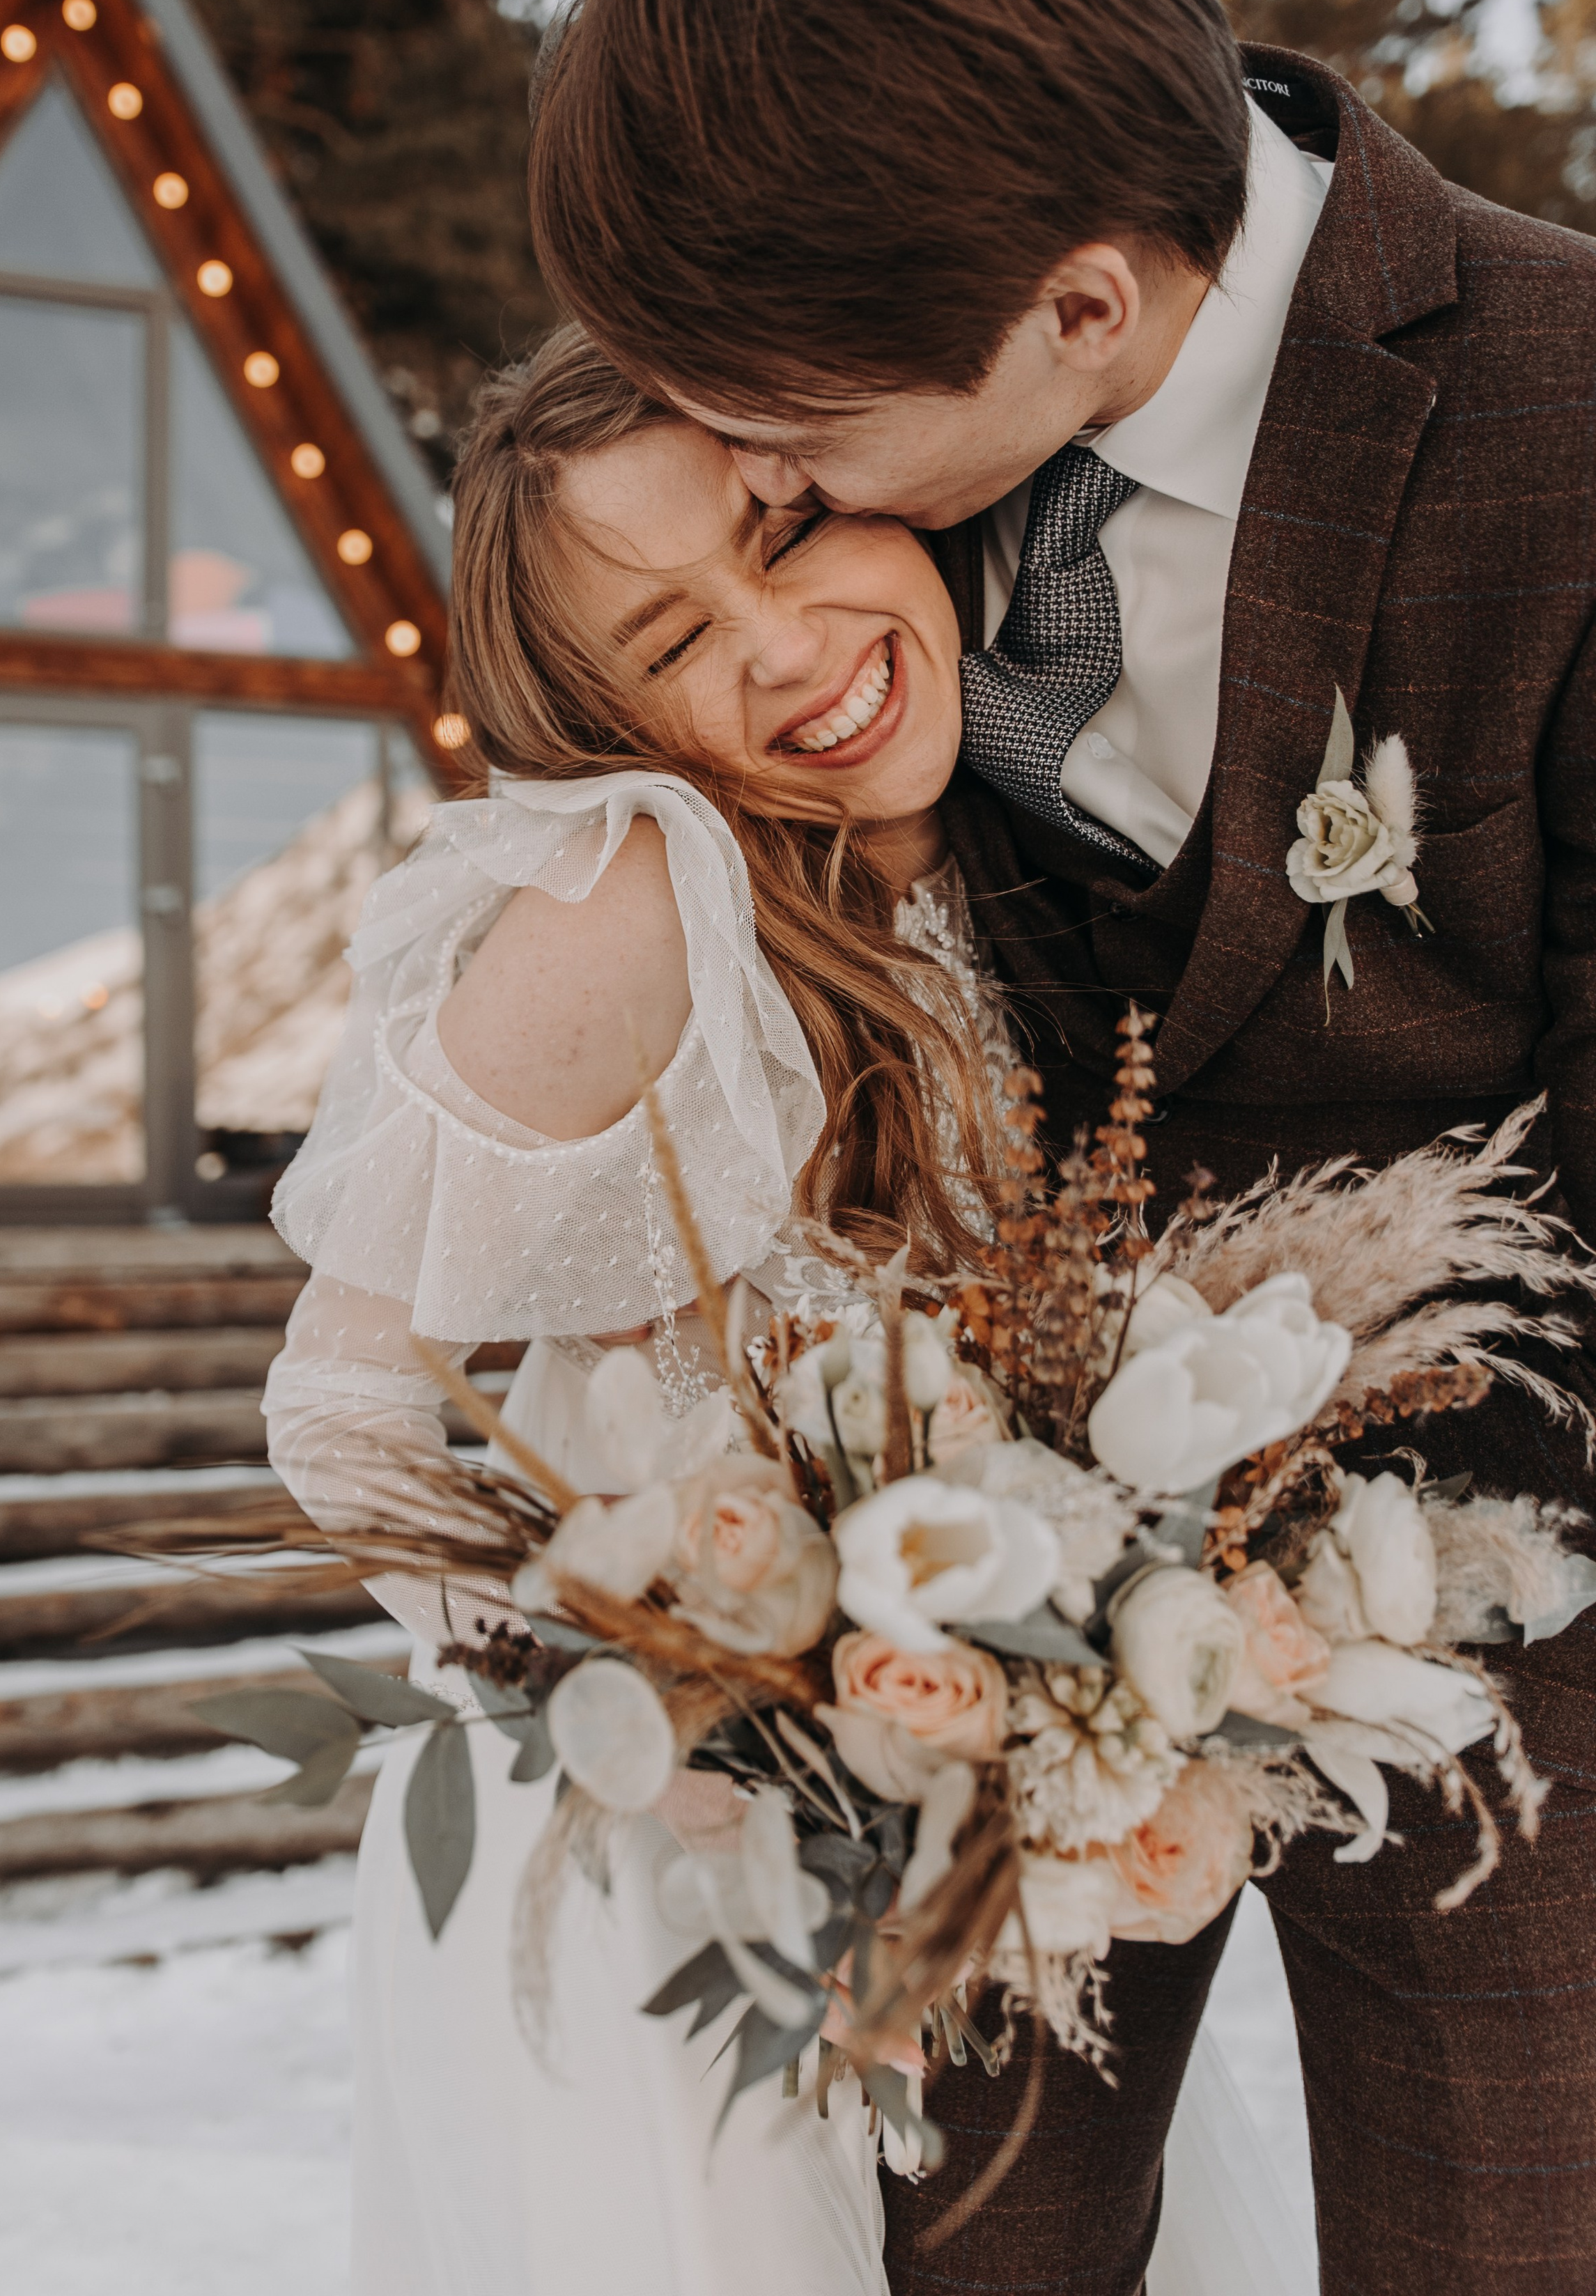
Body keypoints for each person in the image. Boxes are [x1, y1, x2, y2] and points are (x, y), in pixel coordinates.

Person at [524, 0, 1596, 2296]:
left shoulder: (1569, 421)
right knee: (958, 2250)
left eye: (783, 429)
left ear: (1085, 309)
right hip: (966, 1618)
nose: (746, 464)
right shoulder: (877, 443)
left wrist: (1343, 1545)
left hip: (1525, 1620)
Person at [261, 328, 1304, 2296]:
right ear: (611, 727)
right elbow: (341, 1403)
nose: (782, 641)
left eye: (789, 522)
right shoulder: (650, 901)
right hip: (688, 1882)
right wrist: (696, 1739)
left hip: (964, 1840)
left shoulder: (1021, 855)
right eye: (669, 645)